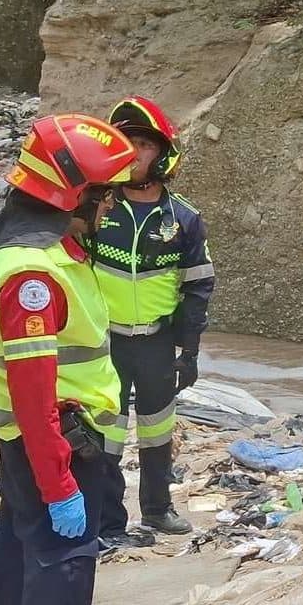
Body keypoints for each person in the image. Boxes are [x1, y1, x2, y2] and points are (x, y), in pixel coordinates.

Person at [0, 114, 136, 605]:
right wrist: (60, 485)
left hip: (36, 446)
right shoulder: (34, 275)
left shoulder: (32, 249)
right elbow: (33, 396)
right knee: (58, 585)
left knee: (14, 567)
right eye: (106, 196)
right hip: (55, 448)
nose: (111, 208)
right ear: (74, 194)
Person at [90, 96, 215, 541]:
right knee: (105, 433)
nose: (134, 151)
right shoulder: (96, 210)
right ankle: (107, 520)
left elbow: (198, 286)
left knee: (158, 428)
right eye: (126, 141)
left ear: (162, 154)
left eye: (143, 143)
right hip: (104, 343)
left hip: (158, 343)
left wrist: (190, 351)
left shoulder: (183, 218)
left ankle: (158, 510)